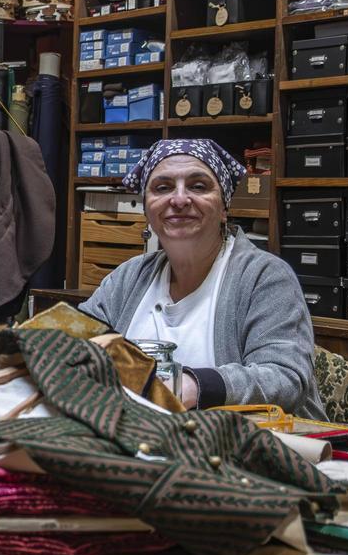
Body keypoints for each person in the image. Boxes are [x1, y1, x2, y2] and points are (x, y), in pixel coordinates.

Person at [80, 139, 325, 419]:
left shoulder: (264, 277)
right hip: (141, 443)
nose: (180, 199)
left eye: (198, 186)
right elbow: (77, 345)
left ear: (223, 208)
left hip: (246, 449)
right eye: (162, 187)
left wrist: (193, 385)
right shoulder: (127, 278)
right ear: (147, 210)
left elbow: (286, 379)